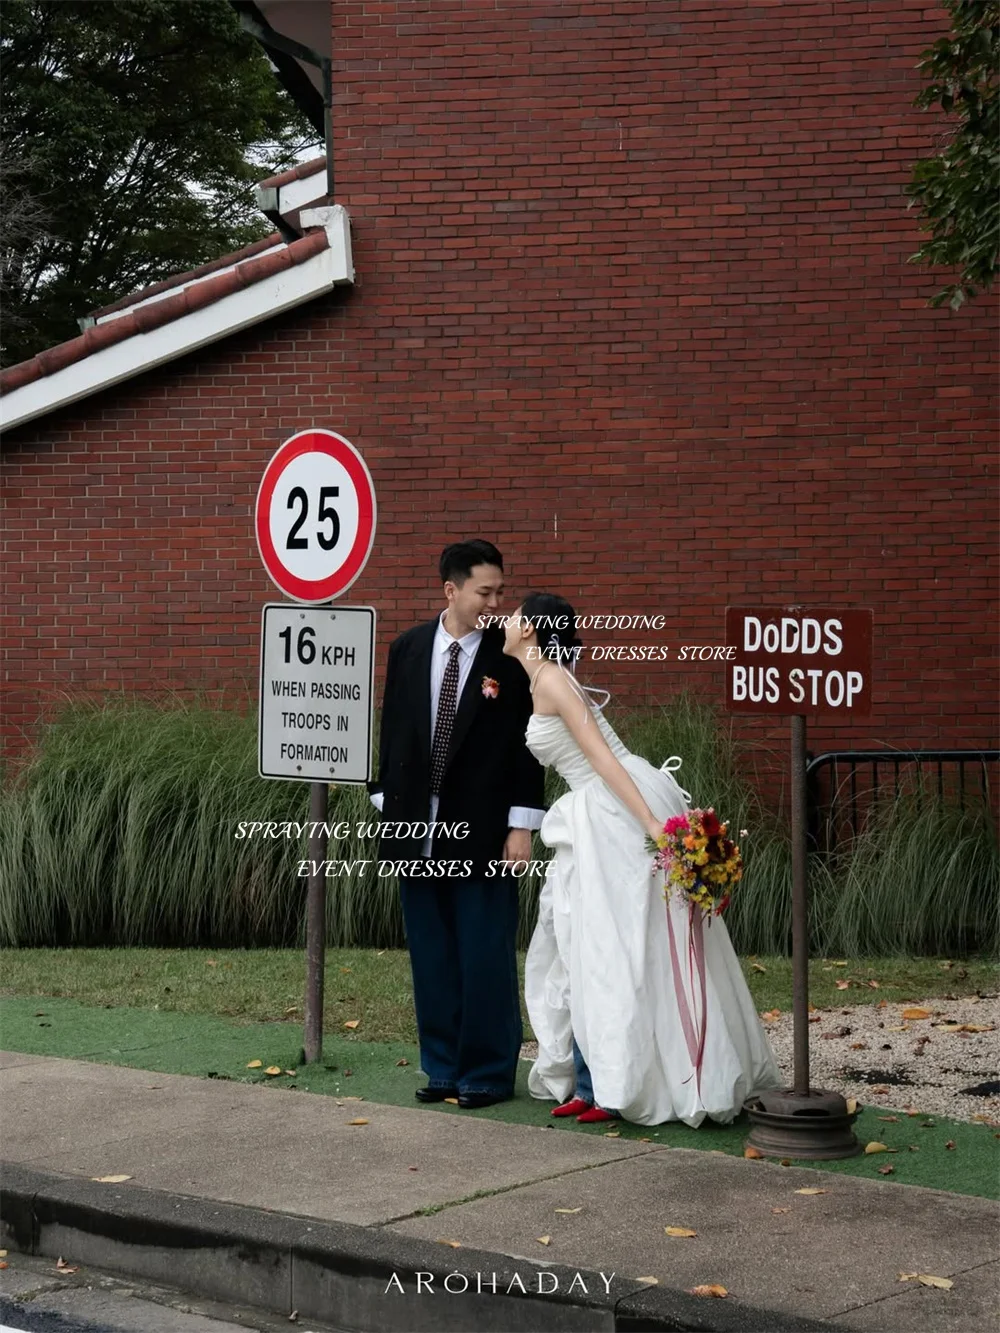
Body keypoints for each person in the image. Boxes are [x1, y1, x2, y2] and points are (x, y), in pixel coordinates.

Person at [504, 593, 782, 1127]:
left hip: (612, 808)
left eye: (515, 615)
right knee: (583, 946)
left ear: (533, 631)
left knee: (617, 946)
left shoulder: (554, 679)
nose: (506, 621)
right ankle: (595, 1080)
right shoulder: (540, 677)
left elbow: (603, 757)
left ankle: (615, 1084)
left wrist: (652, 825)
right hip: (595, 808)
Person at [369, 541, 546, 1109]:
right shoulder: (408, 648)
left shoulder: (510, 656)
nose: (496, 603)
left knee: (483, 950)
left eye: (500, 591)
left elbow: (527, 749)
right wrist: (383, 797)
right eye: (484, 592)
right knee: (431, 951)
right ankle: (442, 1067)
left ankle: (488, 1073)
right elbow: (394, 727)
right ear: (451, 590)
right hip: (413, 827)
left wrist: (522, 826)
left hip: (487, 827)